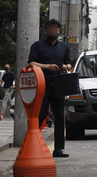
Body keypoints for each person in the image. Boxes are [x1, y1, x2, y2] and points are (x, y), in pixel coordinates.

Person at [28, 19, 72, 158]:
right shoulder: (38, 45)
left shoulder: (64, 47)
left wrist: (66, 67)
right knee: (40, 116)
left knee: (60, 117)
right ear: (46, 31)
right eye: (50, 28)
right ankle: (32, 146)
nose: (52, 31)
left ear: (59, 31)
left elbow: (69, 63)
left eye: (55, 28)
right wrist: (47, 66)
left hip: (58, 84)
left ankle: (58, 149)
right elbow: (31, 63)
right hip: (42, 84)